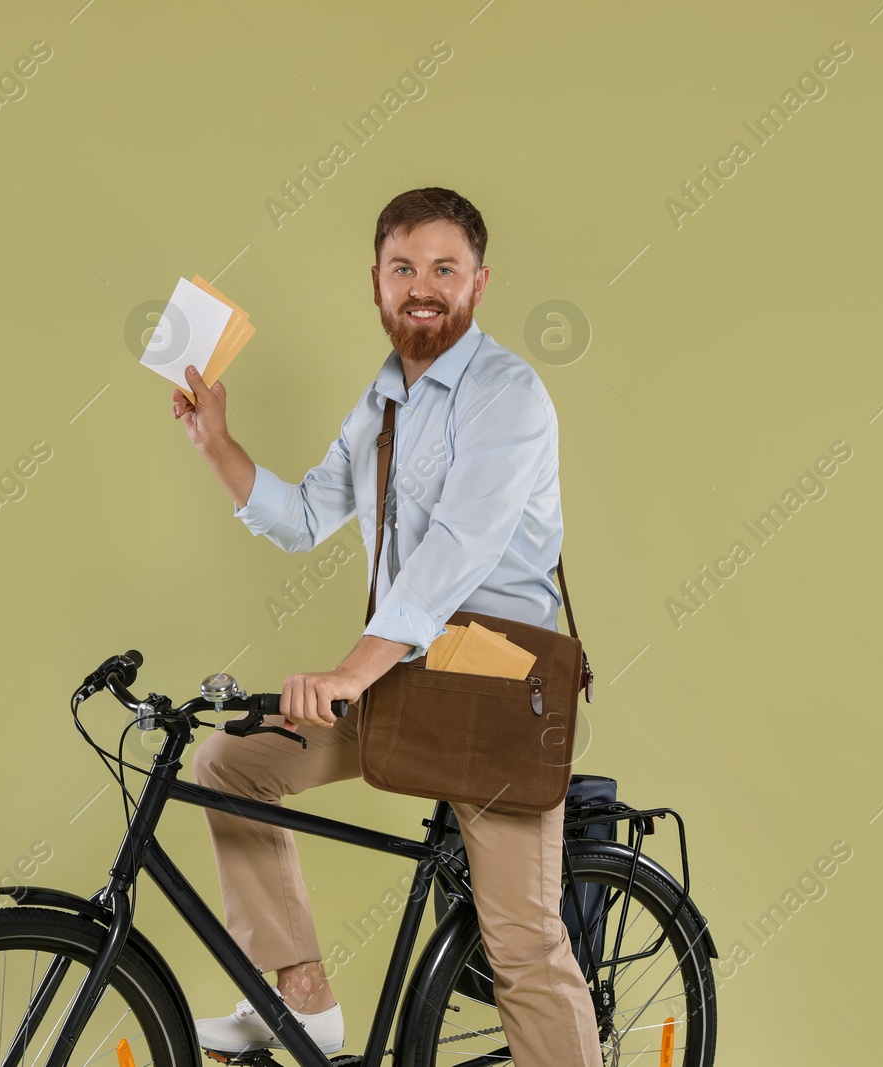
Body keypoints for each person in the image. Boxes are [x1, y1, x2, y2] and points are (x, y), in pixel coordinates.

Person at [170, 187, 602, 1066]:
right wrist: (218, 443)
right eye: (404, 268)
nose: (422, 286)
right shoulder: (381, 406)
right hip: (404, 676)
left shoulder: (508, 396)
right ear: (376, 283)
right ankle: (302, 1000)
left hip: (496, 694)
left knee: (522, 948)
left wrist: (348, 674)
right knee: (229, 763)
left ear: (478, 285)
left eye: (444, 269)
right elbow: (298, 518)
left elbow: (454, 553)